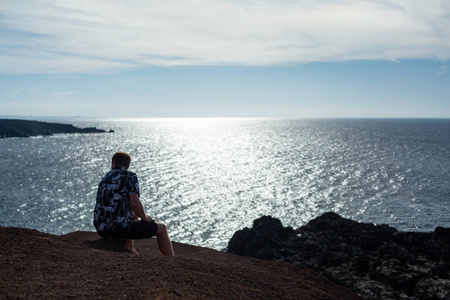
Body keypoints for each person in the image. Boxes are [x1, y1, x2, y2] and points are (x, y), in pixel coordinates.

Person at [93, 151, 174, 257]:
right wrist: (145, 218)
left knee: (133, 213)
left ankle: (130, 246)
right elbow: (135, 202)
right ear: (128, 164)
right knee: (162, 228)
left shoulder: (105, 178)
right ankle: (172, 261)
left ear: (114, 162)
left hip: (102, 228)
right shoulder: (130, 176)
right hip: (118, 229)